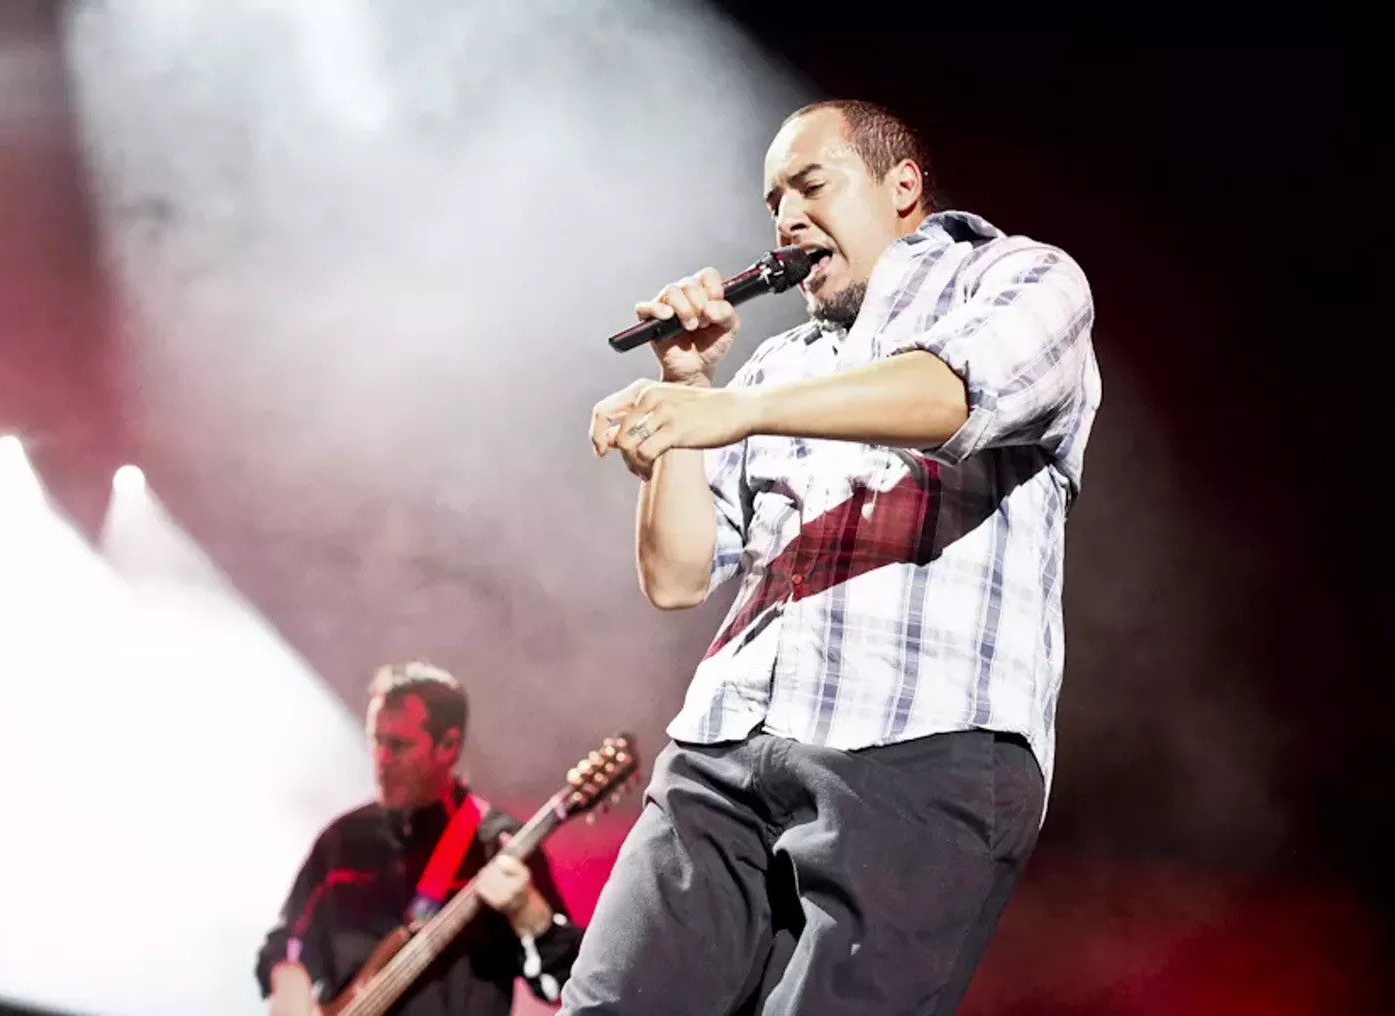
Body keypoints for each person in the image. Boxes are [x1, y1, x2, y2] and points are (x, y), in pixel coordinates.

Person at [568, 100, 1101, 1016]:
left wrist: (731, 410)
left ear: (903, 187)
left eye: (811, 185)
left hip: (920, 746)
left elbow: (955, 393)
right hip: (722, 749)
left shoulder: (1020, 278)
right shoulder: (777, 365)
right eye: (774, 202)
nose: (787, 218)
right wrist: (687, 386)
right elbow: (678, 577)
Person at [254, 661, 583, 1015]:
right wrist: (288, 979)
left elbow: (562, 984)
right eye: (376, 739)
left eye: (398, 745)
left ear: (448, 746)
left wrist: (527, 911)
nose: (382, 759)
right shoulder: (341, 842)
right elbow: (285, 943)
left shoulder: (498, 844)